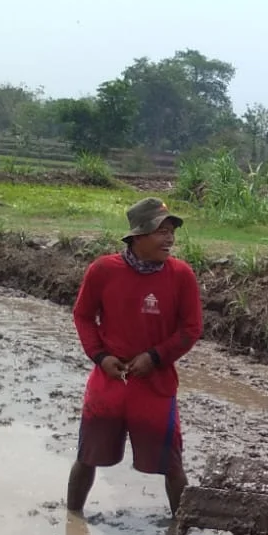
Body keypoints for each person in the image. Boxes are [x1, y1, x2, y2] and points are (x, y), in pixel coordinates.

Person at [67, 197, 203, 514]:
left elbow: (191, 328)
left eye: (171, 232)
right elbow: (83, 315)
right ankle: (72, 521)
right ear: (138, 236)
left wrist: (154, 357)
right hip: (109, 383)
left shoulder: (181, 275)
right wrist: (100, 357)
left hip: (155, 385)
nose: (169, 239)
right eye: (161, 231)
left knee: (172, 464)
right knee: (87, 456)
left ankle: (180, 527)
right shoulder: (103, 270)